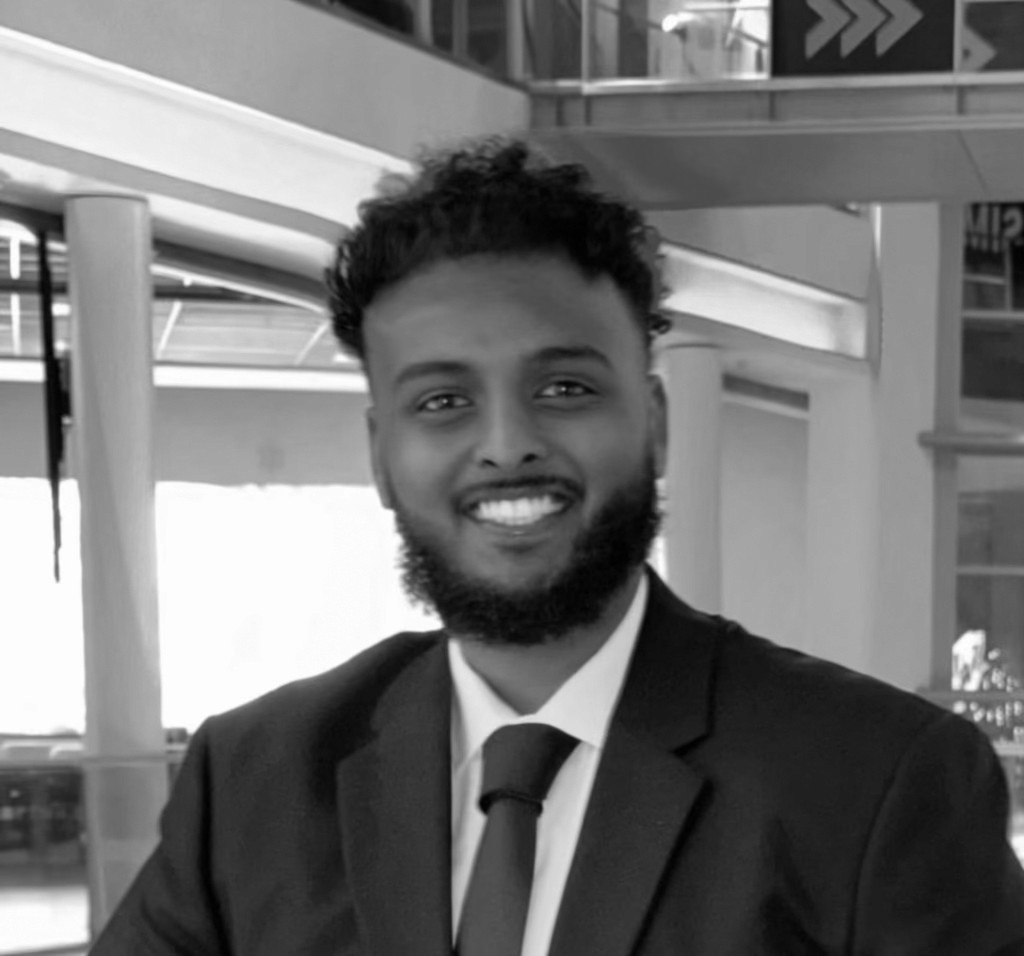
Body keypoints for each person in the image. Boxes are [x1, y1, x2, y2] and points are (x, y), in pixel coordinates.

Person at [91, 140, 1024, 955]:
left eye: (567, 388)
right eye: (443, 401)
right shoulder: (253, 781)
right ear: (380, 455)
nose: (506, 444)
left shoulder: (879, 781)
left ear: (654, 424)